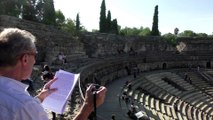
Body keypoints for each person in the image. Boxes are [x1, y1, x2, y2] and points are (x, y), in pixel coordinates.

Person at [0, 28, 107, 120]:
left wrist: (40, 98)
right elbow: (23, 107)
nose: (35, 61)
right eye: (35, 55)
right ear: (25, 59)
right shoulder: (25, 107)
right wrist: (87, 107)